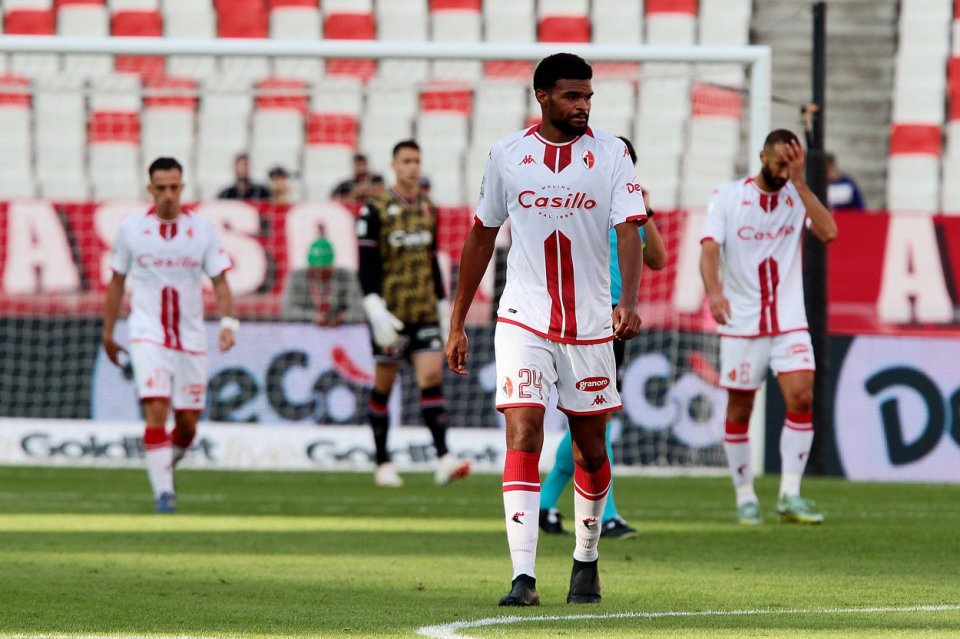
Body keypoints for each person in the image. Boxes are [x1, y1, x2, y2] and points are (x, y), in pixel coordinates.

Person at [445, 53, 647, 607]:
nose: (583, 106)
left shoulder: (612, 154)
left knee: (589, 449)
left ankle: (586, 559)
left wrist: (627, 302)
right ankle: (523, 577)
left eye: (588, 97)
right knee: (524, 433)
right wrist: (458, 321)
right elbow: (481, 236)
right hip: (523, 319)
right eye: (572, 97)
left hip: (589, 324)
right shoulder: (507, 155)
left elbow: (631, 230)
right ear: (543, 97)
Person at [699, 129, 837, 526]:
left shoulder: (798, 195)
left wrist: (801, 181)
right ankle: (745, 496)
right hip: (741, 322)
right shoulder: (727, 196)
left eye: (791, 164)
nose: (783, 170)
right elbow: (709, 251)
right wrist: (714, 293)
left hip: (789, 322)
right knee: (740, 407)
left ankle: (790, 495)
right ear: (762, 156)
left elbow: (829, 233)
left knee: (803, 397)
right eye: (779, 162)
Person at [539, 135, 667, 540]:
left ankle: (544, 505)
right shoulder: (584, 201)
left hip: (617, 318)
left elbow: (658, 260)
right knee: (596, 416)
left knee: (592, 419)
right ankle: (607, 514)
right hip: (586, 316)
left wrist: (646, 212)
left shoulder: (630, 209)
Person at [102, 157, 237, 513]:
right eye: (160, 188)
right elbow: (116, 283)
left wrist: (228, 322)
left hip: (190, 338)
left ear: (182, 187)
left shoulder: (203, 230)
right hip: (147, 334)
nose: (167, 195)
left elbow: (221, 281)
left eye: (174, 187)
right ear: (150, 189)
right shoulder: (132, 229)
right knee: (156, 408)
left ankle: (162, 468)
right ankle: (164, 494)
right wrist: (108, 332)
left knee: (188, 425)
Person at [357, 139, 471, 488]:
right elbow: (366, 265)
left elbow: (433, 261)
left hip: (423, 311)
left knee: (431, 380)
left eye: (417, 161)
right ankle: (382, 463)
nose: (412, 167)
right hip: (390, 314)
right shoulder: (374, 209)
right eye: (406, 161)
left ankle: (443, 458)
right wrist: (373, 306)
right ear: (394, 165)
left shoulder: (428, 208)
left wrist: (441, 306)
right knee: (384, 385)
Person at [280, 237, 365, 326]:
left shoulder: (346, 277)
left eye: (324, 269)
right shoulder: (296, 277)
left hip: (340, 330)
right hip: (306, 329)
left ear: (331, 265)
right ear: (309, 265)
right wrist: (312, 316)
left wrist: (342, 318)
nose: (319, 273)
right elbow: (286, 310)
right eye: (316, 268)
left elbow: (360, 310)